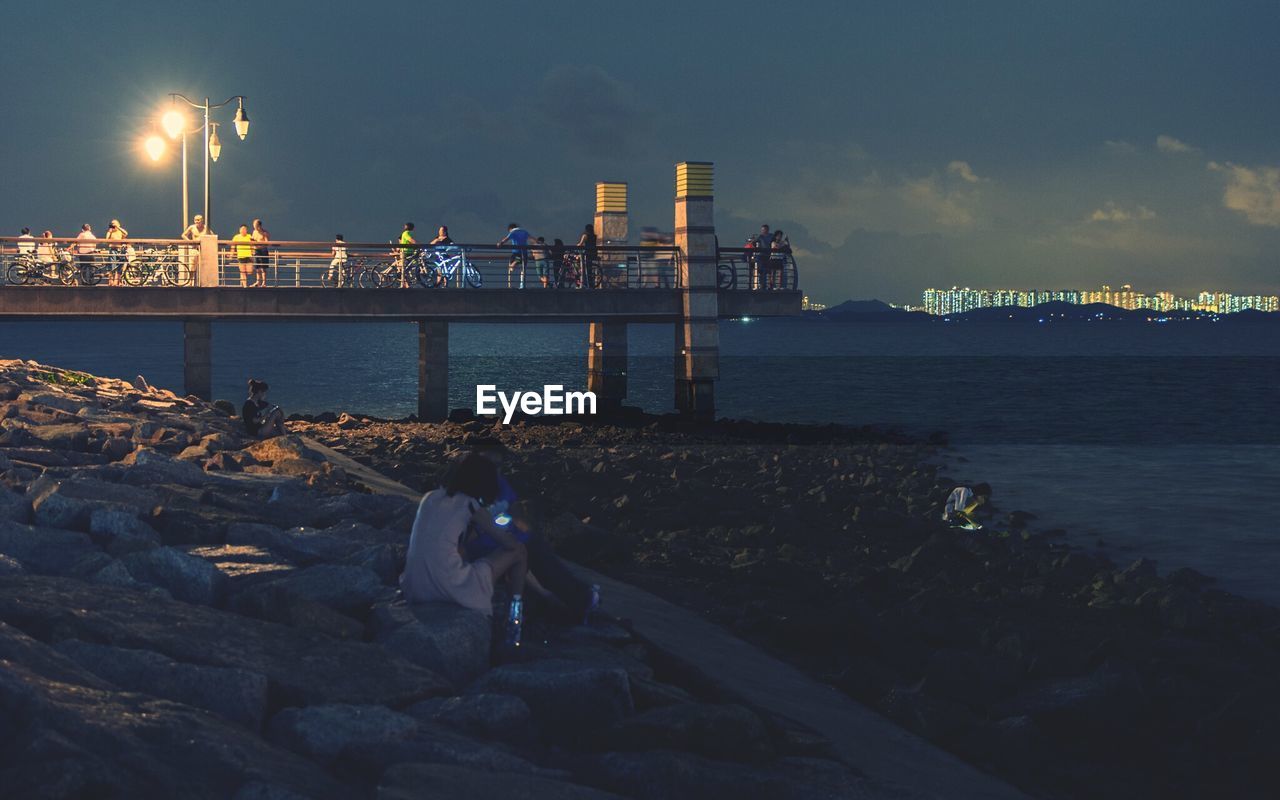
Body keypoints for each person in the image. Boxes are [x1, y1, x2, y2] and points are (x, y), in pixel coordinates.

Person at [462, 441, 600, 622]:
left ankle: (574, 600)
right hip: (480, 552)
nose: (491, 470)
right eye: (486, 463)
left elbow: (513, 514)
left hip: (500, 540)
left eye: (497, 465)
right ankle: (580, 598)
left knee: (532, 544)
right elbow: (469, 534)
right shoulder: (465, 491)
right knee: (530, 548)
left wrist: (512, 527)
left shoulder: (501, 485)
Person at [401, 453, 529, 646]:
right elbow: (508, 544)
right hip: (447, 587)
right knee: (519, 551)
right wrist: (511, 527)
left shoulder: (429, 498)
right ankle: (514, 620)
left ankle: (512, 616)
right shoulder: (470, 505)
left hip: (414, 586)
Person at [497, 223, 531, 288]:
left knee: (511, 268)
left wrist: (500, 243)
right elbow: (532, 239)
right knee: (523, 270)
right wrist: (539, 243)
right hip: (524, 252)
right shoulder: (524, 232)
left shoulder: (513, 232)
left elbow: (506, 239)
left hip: (516, 252)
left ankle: (517, 261)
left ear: (510, 229)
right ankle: (522, 285)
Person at [104, 219, 128, 286]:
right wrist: (109, 231)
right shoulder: (111, 232)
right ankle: (111, 282)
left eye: (114, 223)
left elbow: (126, 233)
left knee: (119, 266)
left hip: (119, 249)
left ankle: (116, 281)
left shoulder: (120, 231)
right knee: (112, 266)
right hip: (112, 249)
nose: (113, 225)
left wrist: (118, 227)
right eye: (112, 224)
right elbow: (106, 239)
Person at [751, 224, 771, 290]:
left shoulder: (770, 236)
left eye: (764, 229)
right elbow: (753, 242)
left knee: (766, 271)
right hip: (761, 255)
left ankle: (765, 285)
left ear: (767, 230)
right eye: (762, 230)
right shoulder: (760, 237)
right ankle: (762, 285)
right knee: (761, 271)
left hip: (767, 256)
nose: (763, 231)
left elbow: (753, 242)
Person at [251, 219, 271, 287]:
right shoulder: (254, 232)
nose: (254, 227)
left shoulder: (264, 232)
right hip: (256, 250)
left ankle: (264, 283)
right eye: (254, 225)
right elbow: (252, 240)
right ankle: (258, 281)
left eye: (256, 225)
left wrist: (259, 244)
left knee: (263, 267)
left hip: (263, 251)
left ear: (259, 225)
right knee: (257, 267)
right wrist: (253, 242)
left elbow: (267, 242)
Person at [397, 222, 417, 288]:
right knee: (405, 268)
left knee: (407, 268)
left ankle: (406, 284)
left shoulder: (405, 233)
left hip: (408, 252)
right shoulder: (406, 233)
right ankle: (404, 284)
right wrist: (418, 245)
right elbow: (411, 240)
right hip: (406, 252)